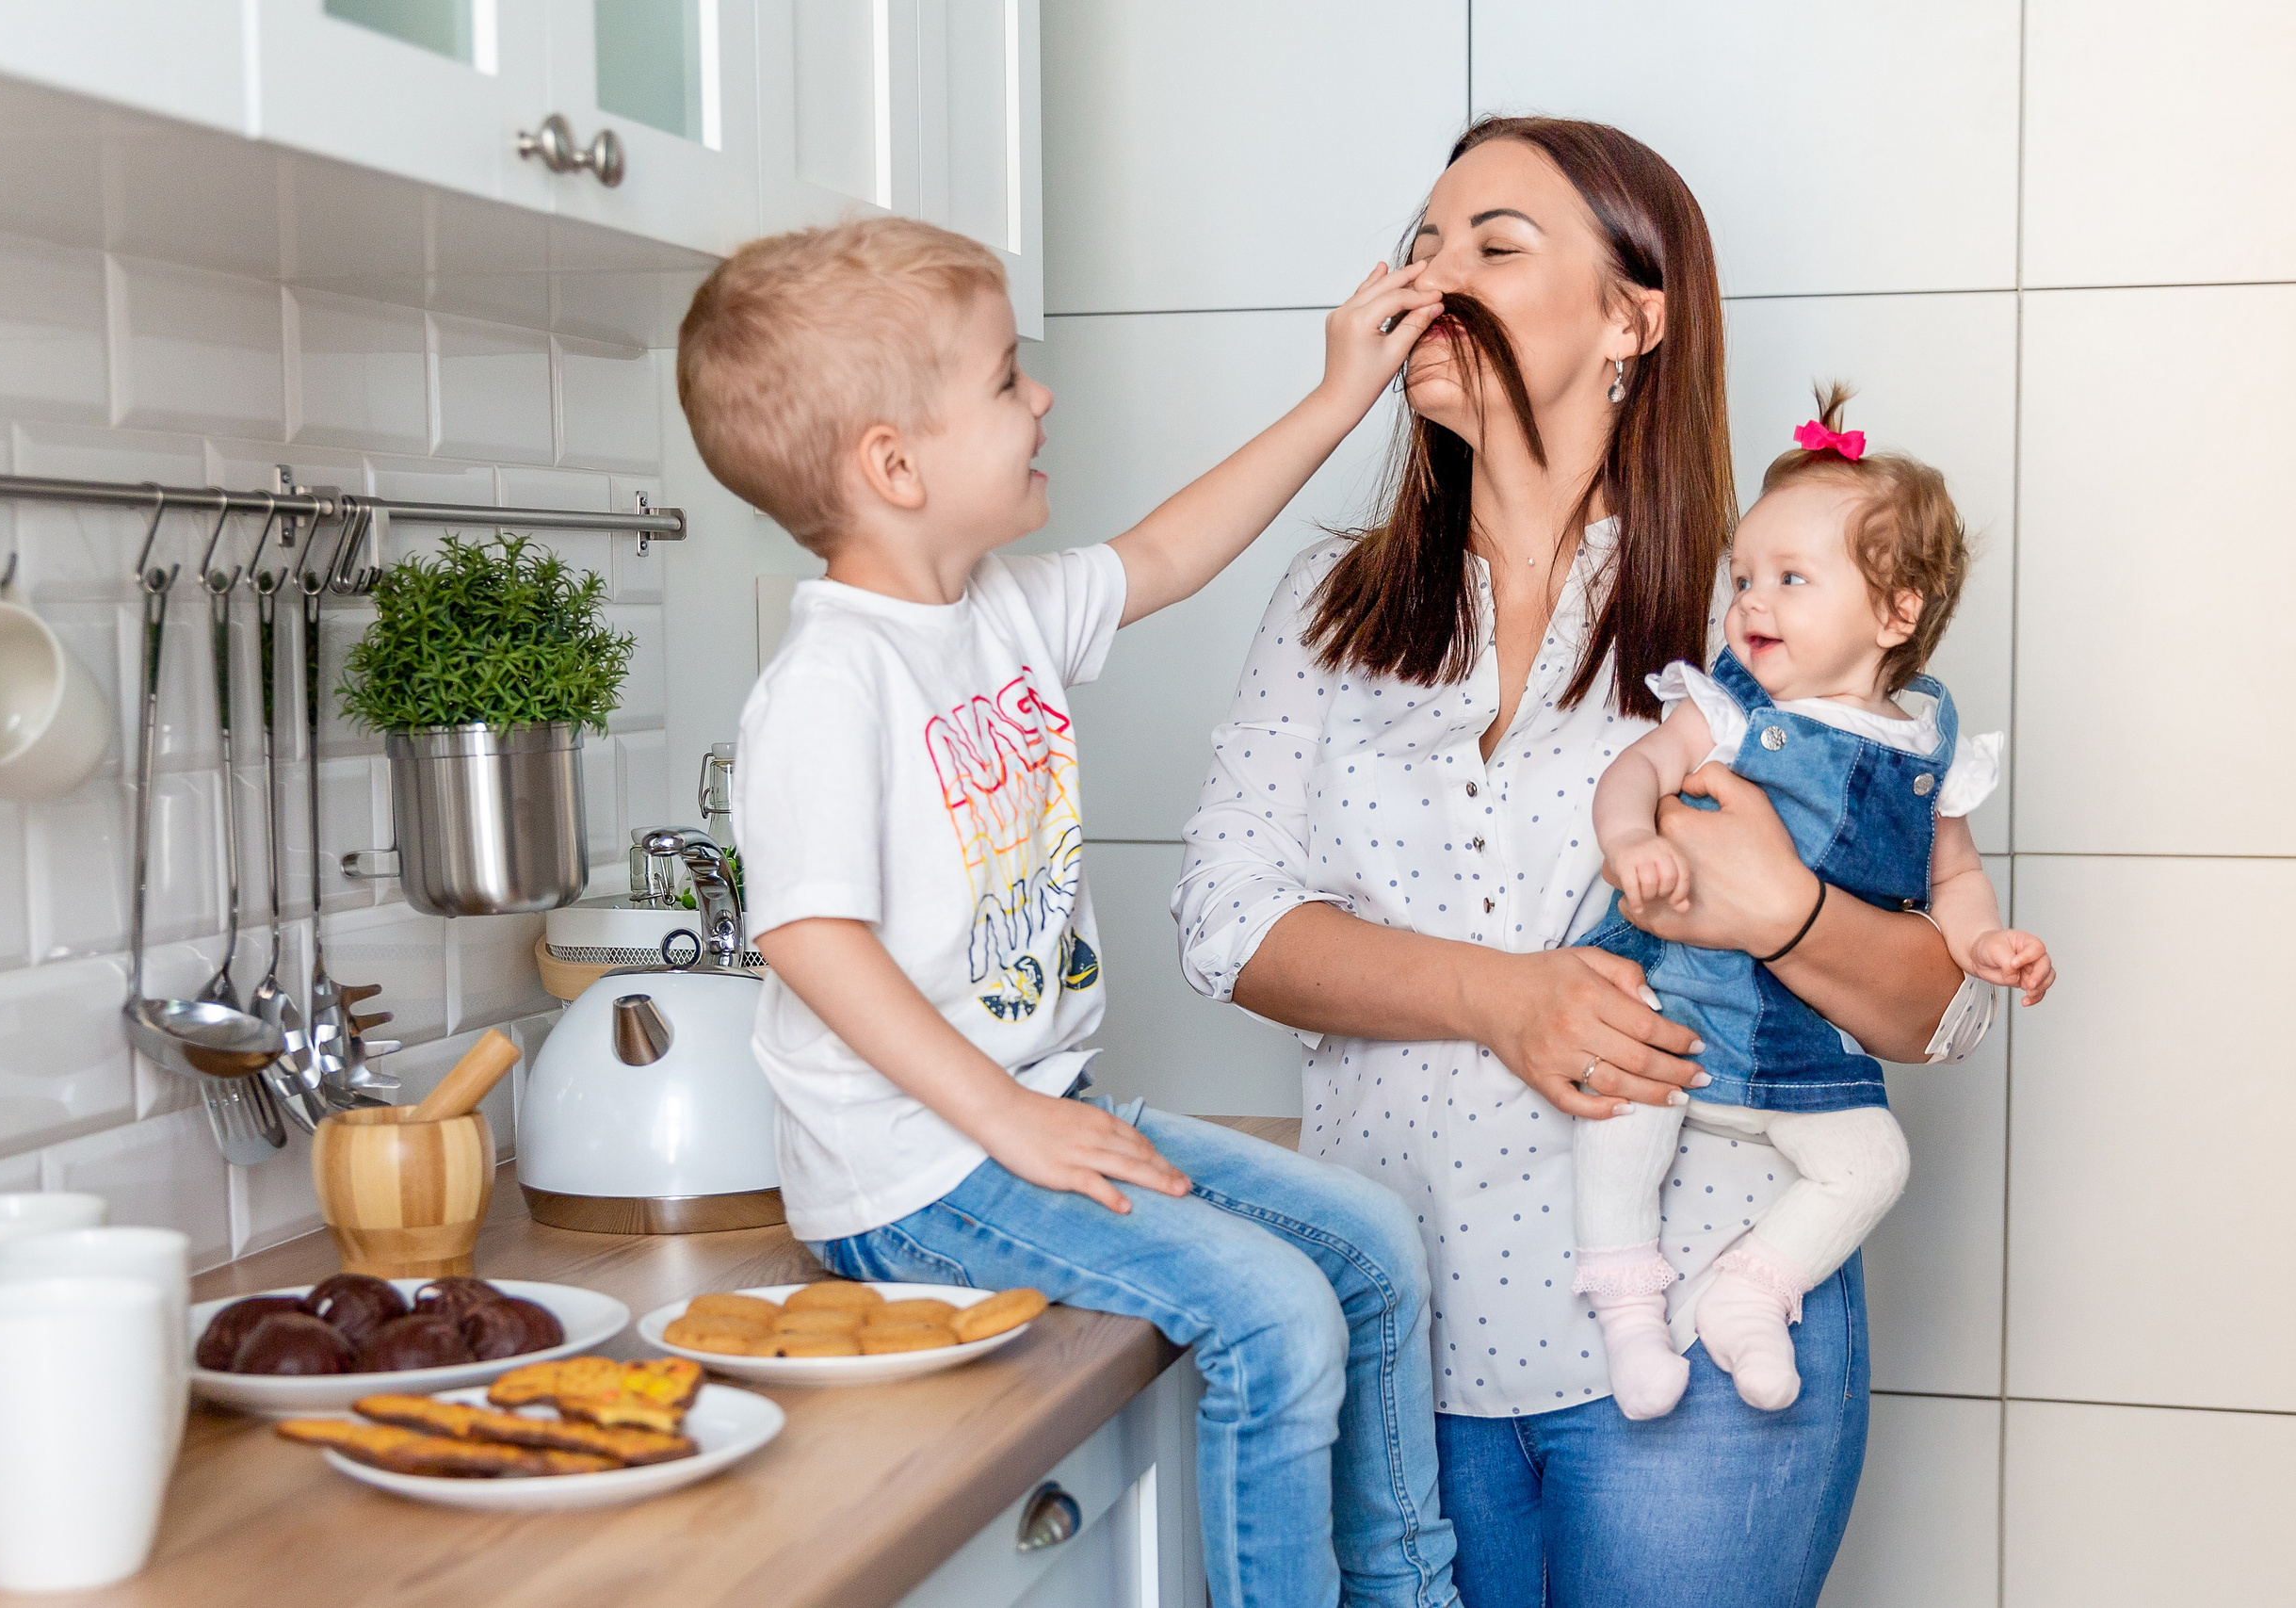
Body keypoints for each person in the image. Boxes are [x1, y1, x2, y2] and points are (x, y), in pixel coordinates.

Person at [1174, 117, 1998, 1607]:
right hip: (1406, 1327)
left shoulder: (1746, 608)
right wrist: (1502, 995)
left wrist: (1795, 909)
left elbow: (1942, 1006)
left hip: (1698, 1323)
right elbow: (1227, 922)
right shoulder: (1328, 602)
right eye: (1422, 244)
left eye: (1496, 244)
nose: (1437, 278)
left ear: (1634, 317)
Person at [678, 215, 1460, 1608]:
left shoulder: (998, 610)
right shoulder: (828, 680)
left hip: (1037, 1110)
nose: (1039, 396)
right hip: (918, 1172)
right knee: (1275, 1312)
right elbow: (810, 940)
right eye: (1002, 377)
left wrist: (1341, 394)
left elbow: (1168, 553)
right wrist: (1009, 1117)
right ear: (893, 464)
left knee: (1375, 1246)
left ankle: (1407, 1588)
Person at [1575, 383, 2054, 1421]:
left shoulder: (1927, 749)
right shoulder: (1730, 712)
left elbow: (1952, 878)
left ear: (1896, 613)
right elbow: (1635, 772)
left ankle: (1751, 1292)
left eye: (1791, 578)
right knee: (1622, 1115)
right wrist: (1627, 840)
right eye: (1743, 576)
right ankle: (1626, 1312)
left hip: (1801, 1042)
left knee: (1875, 1159)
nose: (1751, 602)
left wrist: (1989, 944)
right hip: (1679, 1007)